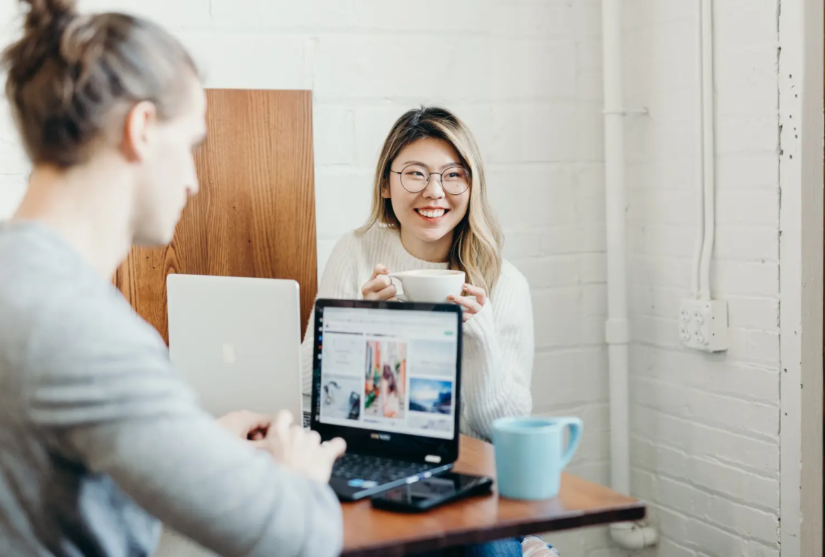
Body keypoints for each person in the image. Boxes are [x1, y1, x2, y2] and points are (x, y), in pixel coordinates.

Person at [0, 2, 345, 557]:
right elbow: (298, 538)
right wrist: (297, 475)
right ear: (140, 129)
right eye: (190, 146)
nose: (191, 181)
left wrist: (196, 445)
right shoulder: (83, 328)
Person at [300, 107, 557, 555]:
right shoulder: (357, 251)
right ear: (386, 183)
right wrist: (357, 327)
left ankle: (522, 544)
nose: (434, 192)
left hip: (462, 477)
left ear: (471, 185)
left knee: (479, 550)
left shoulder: (504, 283)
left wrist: (484, 343)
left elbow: (504, 433)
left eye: (453, 175)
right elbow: (307, 394)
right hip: (371, 463)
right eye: (415, 174)